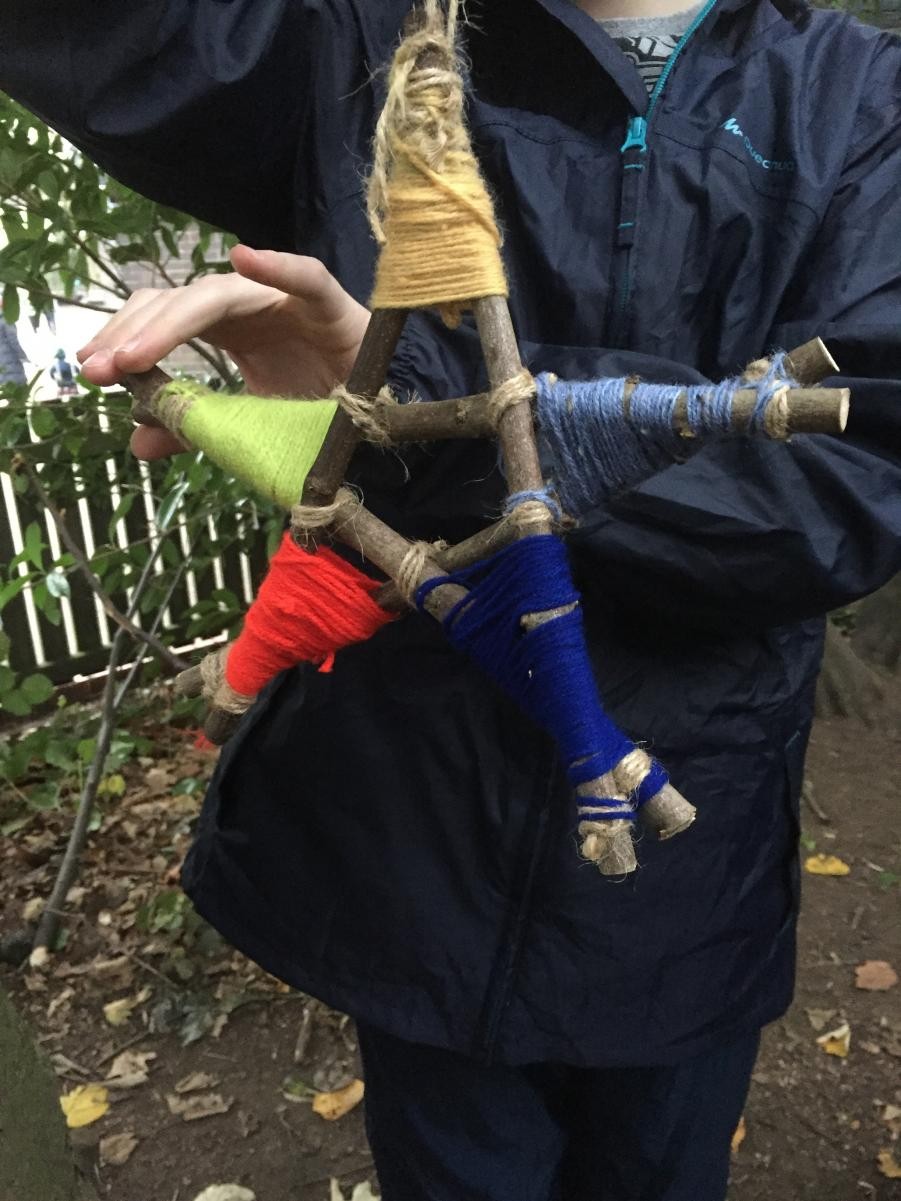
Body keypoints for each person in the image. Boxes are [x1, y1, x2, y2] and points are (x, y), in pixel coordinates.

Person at [3, 2, 900, 1197]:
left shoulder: (861, 96)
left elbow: (850, 480)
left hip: (690, 875)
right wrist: (416, 412)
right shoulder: (353, 34)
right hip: (411, 855)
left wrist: (420, 407)